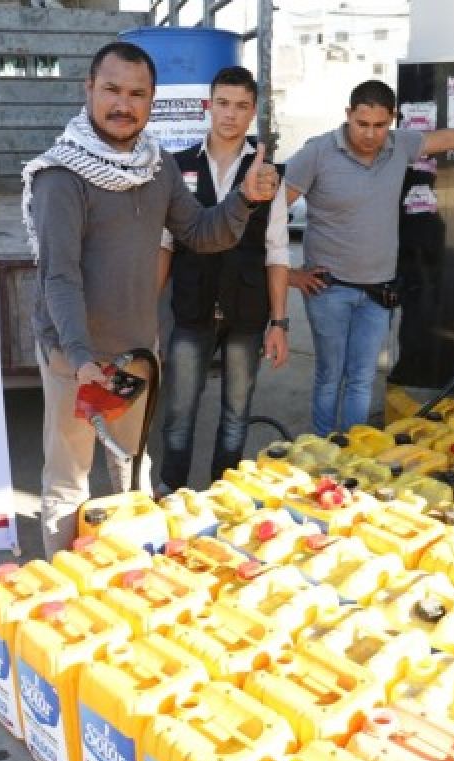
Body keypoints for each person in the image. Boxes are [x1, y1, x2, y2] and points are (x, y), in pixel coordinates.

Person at [23, 43, 280, 556]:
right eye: (112, 90)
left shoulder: (156, 165)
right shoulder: (61, 175)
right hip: (74, 356)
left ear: (152, 100)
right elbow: (60, 277)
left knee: (131, 467)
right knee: (69, 483)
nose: (124, 104)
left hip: (136, 351)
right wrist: (79, 356)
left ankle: (130, 580)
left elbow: (201, 233)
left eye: (138, 93)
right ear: (89, 90)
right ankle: (61, 589)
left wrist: (244, 200)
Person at [285, 80, 454, 435]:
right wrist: (291, 275)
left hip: (378, 294)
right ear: (348, 115)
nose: (370, 134)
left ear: (393, 120)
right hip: (328, 290)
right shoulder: (317, 153)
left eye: (380, 125)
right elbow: (273, 213)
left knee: (362, 378)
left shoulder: (399, 146)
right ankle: (322, 448)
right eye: (362, 124)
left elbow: (445, 139)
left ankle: (351, 453)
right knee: (329, 375)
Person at [156, 66, 290, 490]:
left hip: (246, 314)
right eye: (223, 104)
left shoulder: (269, 174)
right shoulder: (177, 167)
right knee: (178, 414)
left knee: (236, 415)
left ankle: (220, 497)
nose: (230, 114)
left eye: (241, 106)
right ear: (207, 107)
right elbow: (164, 243)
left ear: (253, 113)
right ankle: (171, 495)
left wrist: (280, 323)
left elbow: (278, 251)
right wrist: (147, 316)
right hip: (191, 310)